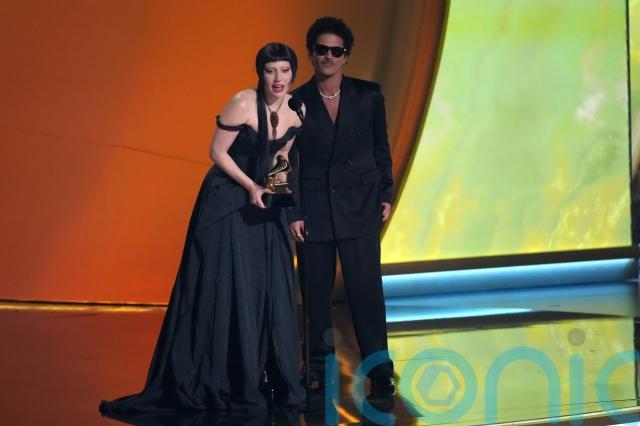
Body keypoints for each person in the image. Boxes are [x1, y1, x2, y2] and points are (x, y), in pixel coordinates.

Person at [99, 42, 306, 416]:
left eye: (285, 70)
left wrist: (275, 189)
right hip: (228, 200)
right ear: (260, 73)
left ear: (293, 72)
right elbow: (217, 152)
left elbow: (282, 155)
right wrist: (251, 187)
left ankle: (256, 374)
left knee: (265, 287)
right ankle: (218, 379)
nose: (278, 78)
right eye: (270, 70)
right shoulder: (242, 102)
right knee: (225, 286)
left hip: (263, 200)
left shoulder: (297, 108)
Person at [287, 17, 396, 396]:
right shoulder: (296, 101)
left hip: (361, 206)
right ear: (311, 53)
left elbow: (380, 148)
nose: (329, 56)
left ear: (347, 56)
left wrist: (386, 194)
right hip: (313, 212)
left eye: (337, 51)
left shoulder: (369, 96)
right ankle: (317, 369)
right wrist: (293, 211)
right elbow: (288, 161)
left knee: (366, 293)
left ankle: (380, 371)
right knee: (315, 297)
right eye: (322, 49)